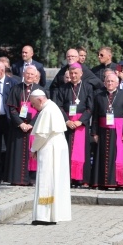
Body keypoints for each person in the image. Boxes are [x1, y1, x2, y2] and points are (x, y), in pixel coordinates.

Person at [29, 89, 72, 225]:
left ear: (40, 100)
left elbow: (42, 135)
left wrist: (33, 148)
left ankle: (44, 216)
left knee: (46, 181)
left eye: (34, 104)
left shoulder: (47, 110)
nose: (33, 107)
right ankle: (54, 214)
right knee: (56, 180)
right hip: (57, 146)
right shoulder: (52, 107)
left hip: (49, 148)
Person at [5, 65, 47, 185]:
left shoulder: (40, 90)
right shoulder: (16, 88)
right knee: (18, 153)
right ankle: (17, 179)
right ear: (23, 74)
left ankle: (31, 179)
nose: (29, 76)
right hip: (18, 128)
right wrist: (21, 124)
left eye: (32, 74)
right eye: (27, 73)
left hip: (34, 127)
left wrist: (31, 124)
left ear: (35, 76)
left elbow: (42, 110)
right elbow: (12, 109)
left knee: (32, 153)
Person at [54, 63, 94, 187]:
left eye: (76, 73)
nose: (73, 75)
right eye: (71, 73)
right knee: (66, 151)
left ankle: (81, 179)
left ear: (81, 73)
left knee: (81, 152)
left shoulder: (87, 87)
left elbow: (90, 107)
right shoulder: (63, 88)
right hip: (67, 125)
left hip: (81, 124)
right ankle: (67, 178)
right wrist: (67, 121)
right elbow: (59, 106)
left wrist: (80, 121)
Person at [91, 73, 123, 189]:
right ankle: (102, 182)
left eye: (112, 81)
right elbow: (95, 116)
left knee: (117, 156)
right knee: (102, 156)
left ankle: (118, 182)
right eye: (108, 81)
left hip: (118, 131)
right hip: (103, 131)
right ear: (104, 83)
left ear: (117, 83)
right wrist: (94, 133)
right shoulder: (99, 96)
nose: (110, 83)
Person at [0, 61, 18, 183]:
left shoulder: (12, 83)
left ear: (2, 70)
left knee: (9, 146)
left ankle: (7, 174)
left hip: (7, 119)